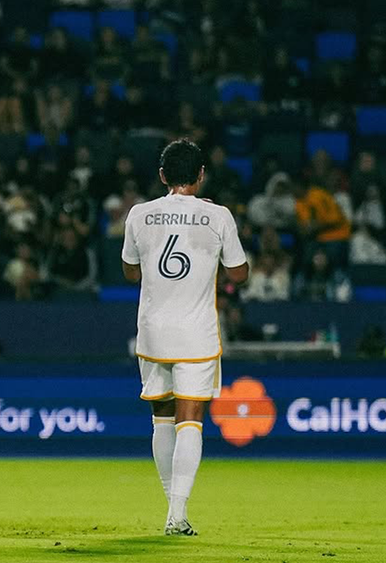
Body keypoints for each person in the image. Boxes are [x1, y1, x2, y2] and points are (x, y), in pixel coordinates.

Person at [121, 140, 248, 536]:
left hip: (153, 333)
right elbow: (239, 273)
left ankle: (170, 505)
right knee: (190, 419)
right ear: (201, 175)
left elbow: (130, 273)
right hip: (195, 333)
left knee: (161, 418)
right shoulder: (218, 216)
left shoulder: (139, 214)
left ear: (162, 176)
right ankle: (177, 513)